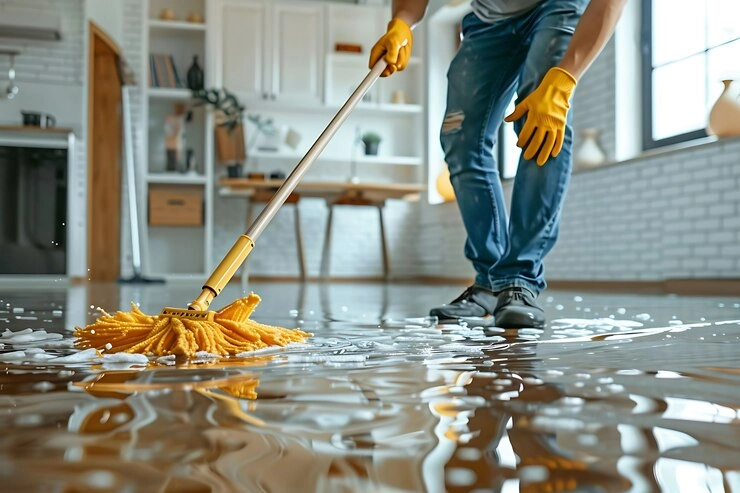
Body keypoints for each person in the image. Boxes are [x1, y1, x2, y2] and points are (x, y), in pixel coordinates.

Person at [369, 0, 626, 328]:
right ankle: (490, 281)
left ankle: (519, 278)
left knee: (541, 123)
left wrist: (565, 78)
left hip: (556, 6)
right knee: (459, 137)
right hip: (487, 21)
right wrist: (403, 20)